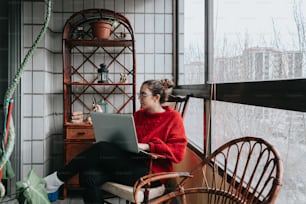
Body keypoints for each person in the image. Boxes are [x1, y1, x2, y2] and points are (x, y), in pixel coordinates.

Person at [44, 79, 188, 203]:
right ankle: (57, 180)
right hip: (130, 164)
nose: (139, 98)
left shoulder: (173, 118)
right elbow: (125, 136)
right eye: (139, 94)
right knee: (88, 175)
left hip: (151, 172)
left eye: (143, 94)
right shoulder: (139, 115)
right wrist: (104, 118)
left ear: (156, 97)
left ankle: (58, 178)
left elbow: (178, 153)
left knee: (101, 148)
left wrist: (148, 146)